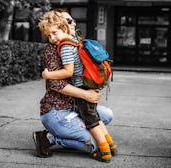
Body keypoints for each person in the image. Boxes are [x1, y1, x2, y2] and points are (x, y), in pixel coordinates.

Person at [33, 9, 116, 163]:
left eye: (71, 21)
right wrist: (85, 94)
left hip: (75, 107)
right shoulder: (53, 50)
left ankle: (77, 127)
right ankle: (49, 138)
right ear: (61, 25)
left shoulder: (75, 43)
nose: (72, 23)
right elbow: (55, 83)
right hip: (57, 110)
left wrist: (94, 85)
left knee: (106, 116)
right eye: (67, 21)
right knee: (94, 142)